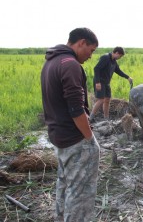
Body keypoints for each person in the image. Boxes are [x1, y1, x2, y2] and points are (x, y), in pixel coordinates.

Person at [40, 27, 100, 222]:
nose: (91, 56)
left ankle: (60, 217)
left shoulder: (51, 62)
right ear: (81, 42)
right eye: (91, 50)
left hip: (59, 136)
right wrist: (90, 139)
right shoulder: (71, 65)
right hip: (75, 139)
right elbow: (76, 109)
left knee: (65, 183)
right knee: (80, 192)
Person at [89, 47, 133, 121]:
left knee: (107, 100)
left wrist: (128, 77)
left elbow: (118, 71)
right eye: (120, 56)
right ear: (116, 53)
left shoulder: (114, 61)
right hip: (100, 81)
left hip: (106, 82)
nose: (120, 58)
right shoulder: (105, 58)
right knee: (100, 100)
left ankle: (106, 118)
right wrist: (97, 82)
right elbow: (96, 69)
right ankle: (90, 118)